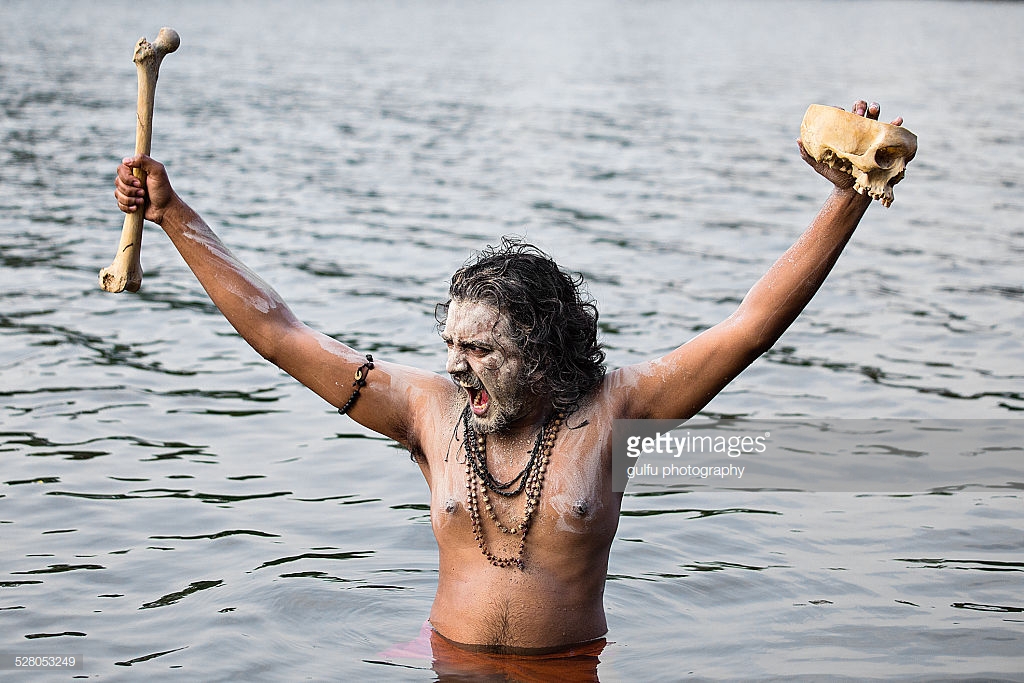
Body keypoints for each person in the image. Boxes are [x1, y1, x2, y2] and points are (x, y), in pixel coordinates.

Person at [114, 101, 903, 657]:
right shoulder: (425, 409)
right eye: (450, 344)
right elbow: (279, 333)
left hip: (566, 670)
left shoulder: (618, 409)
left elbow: (750, 326)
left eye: (482, 349)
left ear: (544, 349)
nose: (458, 364)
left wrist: (847, 199)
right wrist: (175, 212)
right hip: (444, 661)